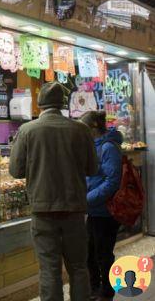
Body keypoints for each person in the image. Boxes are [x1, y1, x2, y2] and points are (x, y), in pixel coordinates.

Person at [10, 82, 98, 301]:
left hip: (43, 210)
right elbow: (93, 168)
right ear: (62, 102)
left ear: (40, 104)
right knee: (78, 267)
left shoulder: (27, 130)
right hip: (75, 209)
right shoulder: (81, 129)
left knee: (49, 269)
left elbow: (15, 171)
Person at [80, 111, 123, 301]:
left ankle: (106, 293)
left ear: (94, 127)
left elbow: (112, 181)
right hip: (94, 210)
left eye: (84, 128)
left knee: (103, 255)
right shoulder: (93, 146)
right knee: (90, 253)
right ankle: (95, 289)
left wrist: (87, 199)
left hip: (106, 211)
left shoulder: (108, 147)